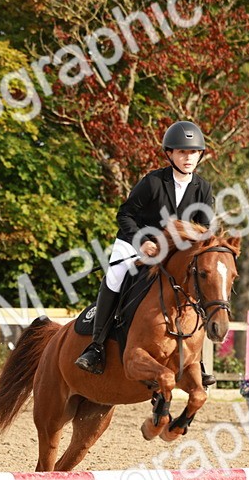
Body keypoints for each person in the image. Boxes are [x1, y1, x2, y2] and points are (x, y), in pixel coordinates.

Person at [75, 120, 218, 384]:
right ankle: (95, 346)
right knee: (116, 276)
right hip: (136, 241)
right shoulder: (153, 182)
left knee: (197, 281)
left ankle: (195, 358)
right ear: (170, 154)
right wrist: (142, 242)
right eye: (183, 152)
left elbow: (204, 228)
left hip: (172, 251)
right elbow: (125, 214)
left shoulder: (203, 188)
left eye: (194, 152)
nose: (189, 158)